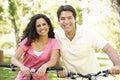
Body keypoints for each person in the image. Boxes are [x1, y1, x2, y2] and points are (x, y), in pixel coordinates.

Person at [54, 5, 120, 80]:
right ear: (59, 21)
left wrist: (117, 65)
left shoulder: (88, 33)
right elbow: (55, 54)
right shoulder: (56, 35)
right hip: (71, 77)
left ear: (75, 19)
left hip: (94, 77)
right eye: (62, 19)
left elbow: (108, 48)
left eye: (69, 18)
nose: (66, 22)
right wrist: (59, 69)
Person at [11, 14, 60, 80]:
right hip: (23, 78)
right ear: (35, 29)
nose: (42, 27)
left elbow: (53, 60)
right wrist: (22, 66)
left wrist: (45, 66)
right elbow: (14, 58)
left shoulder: (54, 42)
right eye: (38, 26)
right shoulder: (28, 41)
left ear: (49, 26)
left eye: (44, 24)